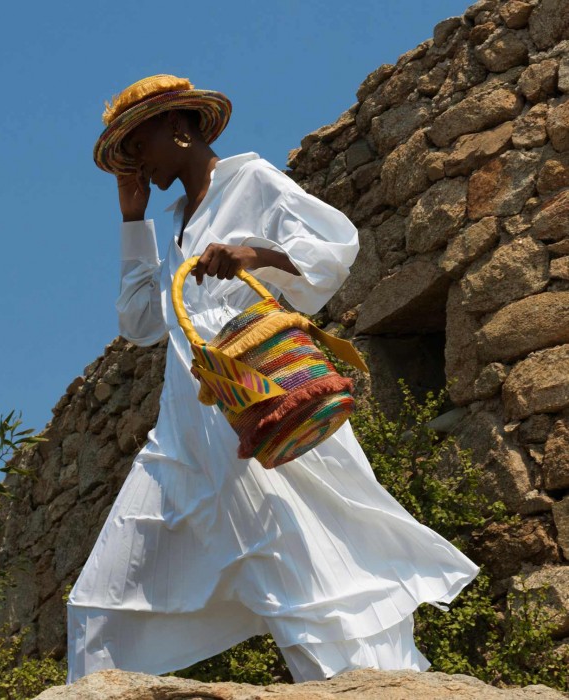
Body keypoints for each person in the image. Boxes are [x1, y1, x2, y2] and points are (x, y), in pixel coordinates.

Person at [66, 74, 479, 684]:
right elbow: (140, 323)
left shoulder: (250, 182)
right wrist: (133, 222)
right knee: (100, 601)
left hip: (258, 406)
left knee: (304, 574)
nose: (134, 163)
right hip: (185, 432)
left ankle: (380, 687)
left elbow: (335, 246)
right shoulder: (176, 220)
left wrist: (254, 254)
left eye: (138, 144)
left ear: (179, 130)